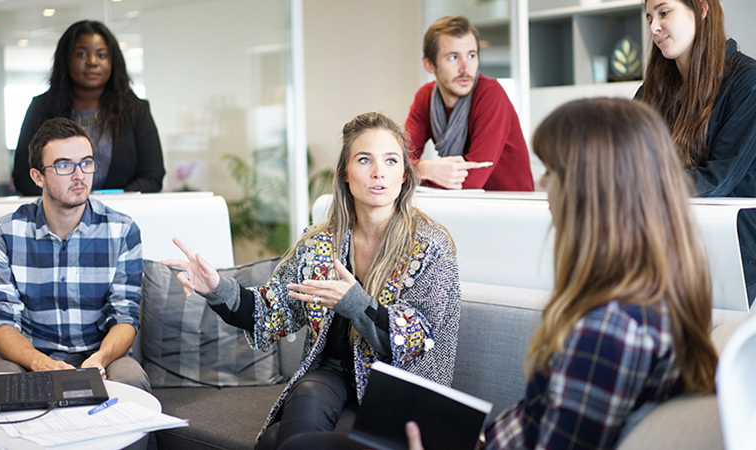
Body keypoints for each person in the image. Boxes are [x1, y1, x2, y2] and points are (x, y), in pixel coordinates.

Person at [286, 99, 720, 450]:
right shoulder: (651, 303)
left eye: (552, 172)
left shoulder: (609, 331)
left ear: (594, 192)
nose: (544, 186)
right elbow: (541, 420)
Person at [162, 111, 461, 450]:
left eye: (391, 161)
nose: (379, 172)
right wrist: (218, 289)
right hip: (332, 375)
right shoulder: (320, 243)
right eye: (365, 159)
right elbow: (271, 311)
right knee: (304, 398)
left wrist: (356, 304)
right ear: (345, 174)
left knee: (276, 440)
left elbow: (418, 341)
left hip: (399, 386)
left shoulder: (431, 246)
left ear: (404, 175)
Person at [0, 117, 150, 392]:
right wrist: (40, 363)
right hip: (31, 357)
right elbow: (2, 322)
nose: (79, 175)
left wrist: (99, 359)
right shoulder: (4, 233)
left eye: (86, 163)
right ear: (38, 177)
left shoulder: (122, 231)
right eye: (63, 165)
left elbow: (125, 316)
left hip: (101, 356)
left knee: (131, 380)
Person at [638, 0, 756, 306]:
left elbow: (716, 179)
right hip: (665, 249)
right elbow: (626, 160)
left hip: (734, 255)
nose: (653, 27)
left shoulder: (747, 82)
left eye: (664, 13)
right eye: (649, 17)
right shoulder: (652, 91)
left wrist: (635, 186)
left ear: (702, 9)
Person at [12, 20, 165, 196]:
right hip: (58, 218)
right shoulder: (42, 108)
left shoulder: (136, 110)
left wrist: (107, 202)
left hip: (121, 215)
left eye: (101, 55)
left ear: (113, 62)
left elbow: (152, 176)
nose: (92, 62)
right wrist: (70, 201)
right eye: (81, 54)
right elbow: (24, 177)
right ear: (66, 59)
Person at [405, 16, 533, 191]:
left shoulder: (491, 95)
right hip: (463, 206)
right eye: (453, 57)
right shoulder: (425, 98)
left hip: (510, 208)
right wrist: (424, 169)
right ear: (429, 65)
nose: (465, 68)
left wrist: (415, 172)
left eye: (471, 55)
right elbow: (398, 162)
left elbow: (471, 181)